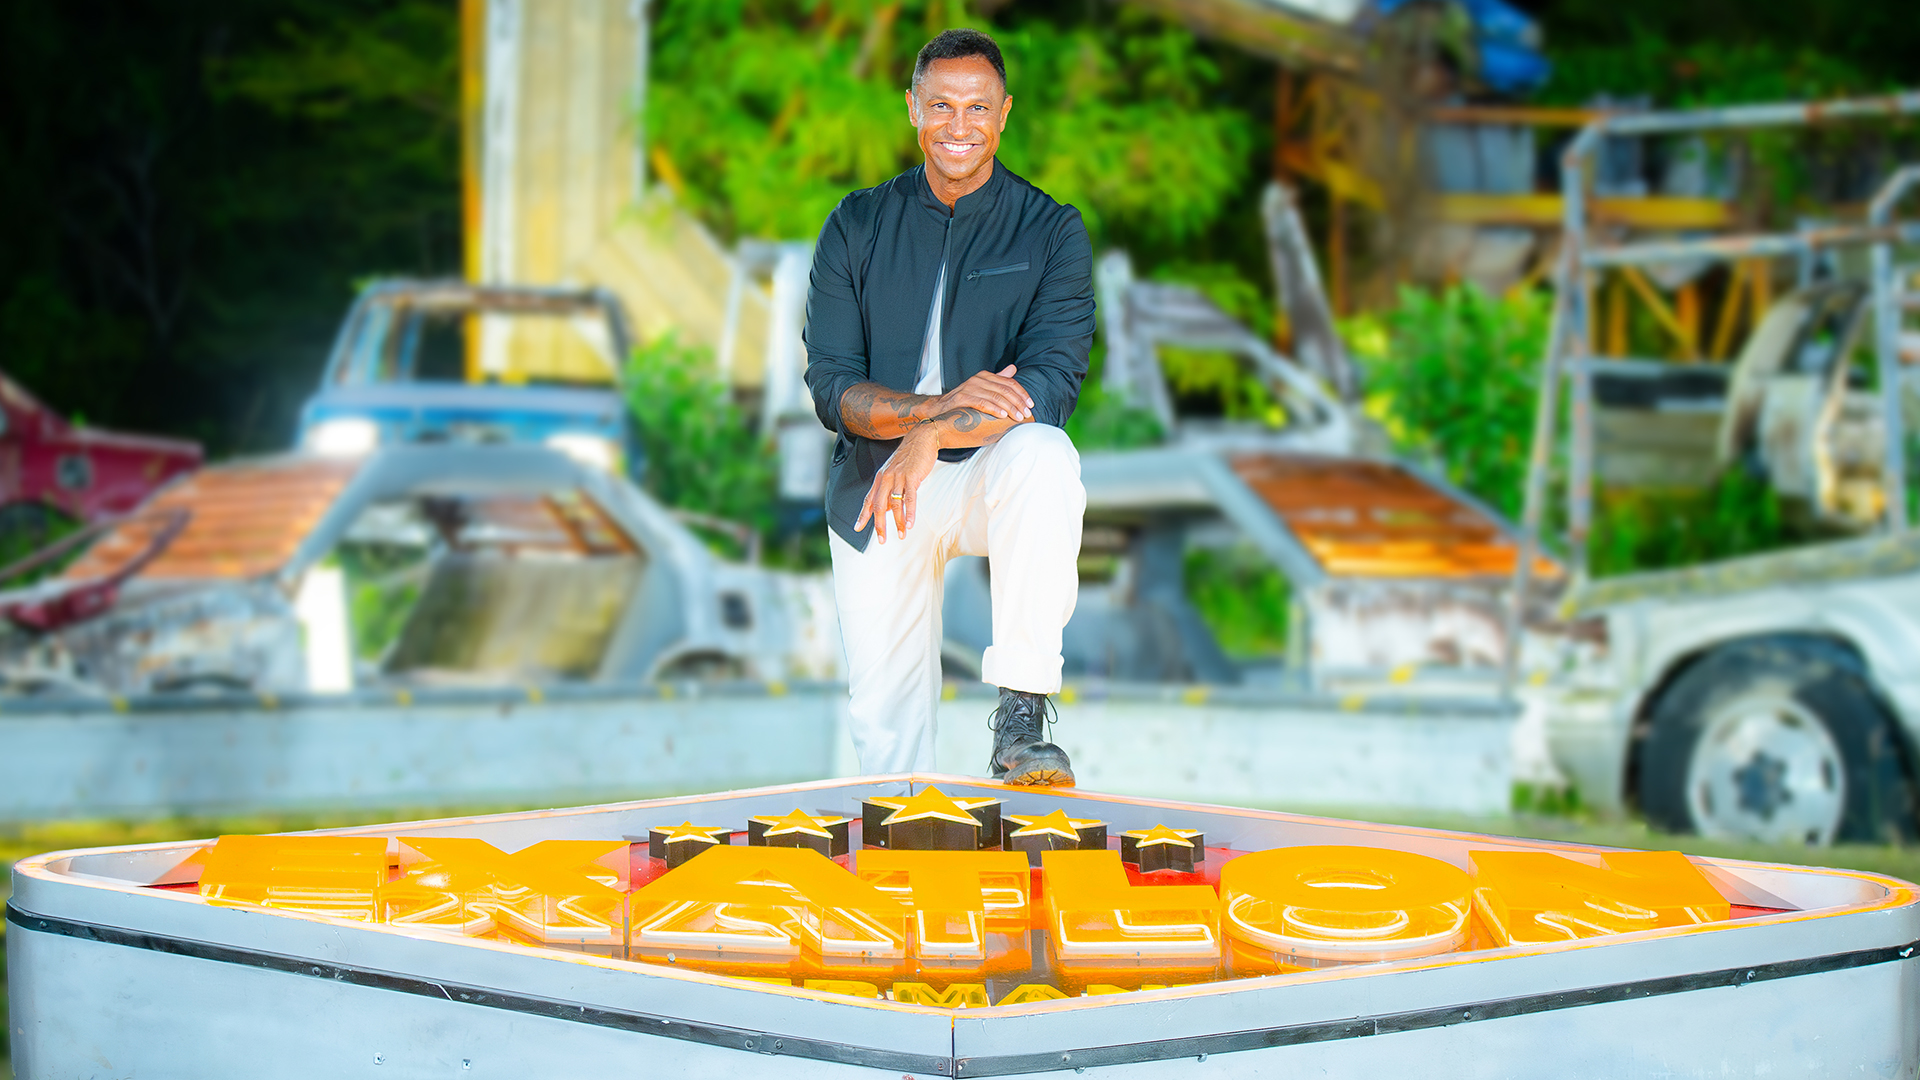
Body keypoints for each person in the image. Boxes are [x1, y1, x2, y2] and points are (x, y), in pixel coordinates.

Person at [803, 27, 1094, 786]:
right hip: (880, 485)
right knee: (886, 732)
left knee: (1044, 455)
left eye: (977, 107)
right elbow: (834, 387)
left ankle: (1022, 720)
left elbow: (1048, 387)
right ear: (912, 108)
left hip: (988, 473)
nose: (958, 125)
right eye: (940, 105)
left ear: (1004, 114)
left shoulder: (1051, 230)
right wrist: (936, 412)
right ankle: (902, 834)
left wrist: (929, 435)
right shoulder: (856, 224)